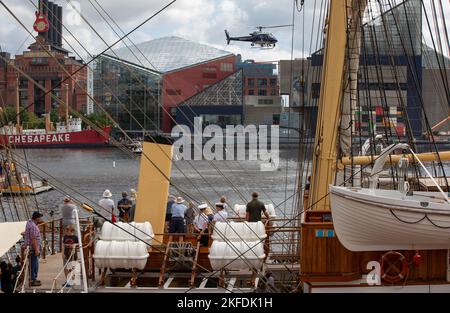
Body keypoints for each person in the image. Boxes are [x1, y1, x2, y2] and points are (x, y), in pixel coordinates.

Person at [24, 211, 43, 286]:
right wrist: (36, 250)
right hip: (33, 248)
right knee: (34, 264)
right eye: (40, 217)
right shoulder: (34, 227)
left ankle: (33, 278)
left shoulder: (29, 223)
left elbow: (28, 233)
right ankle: (33, 280)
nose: (41, 218)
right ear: (37, 218)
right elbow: (33, 239)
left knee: (32, 263)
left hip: (29, 247)